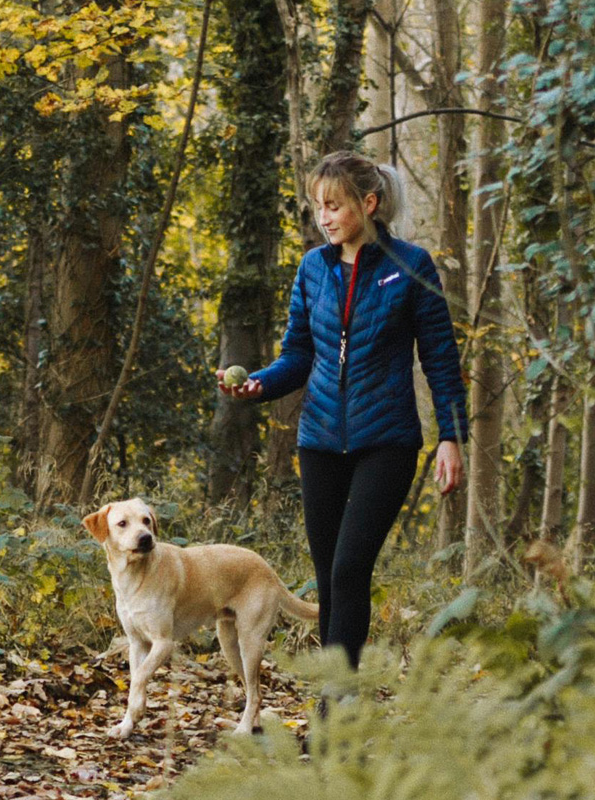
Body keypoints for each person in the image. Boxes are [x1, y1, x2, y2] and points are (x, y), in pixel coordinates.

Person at [217, 151, 467, 670]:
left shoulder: (410, 266)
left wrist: (451, 435)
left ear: (369, 204)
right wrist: (257, 386)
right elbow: (298, 355)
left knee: (351, 567)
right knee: (330, 573)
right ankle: (334, 705)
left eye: (333, 205)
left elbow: (440, 357)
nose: (323, 217)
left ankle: (337, 707)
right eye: (318, 207)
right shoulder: (313, 269)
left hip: (388, 442)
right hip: (321, 443)